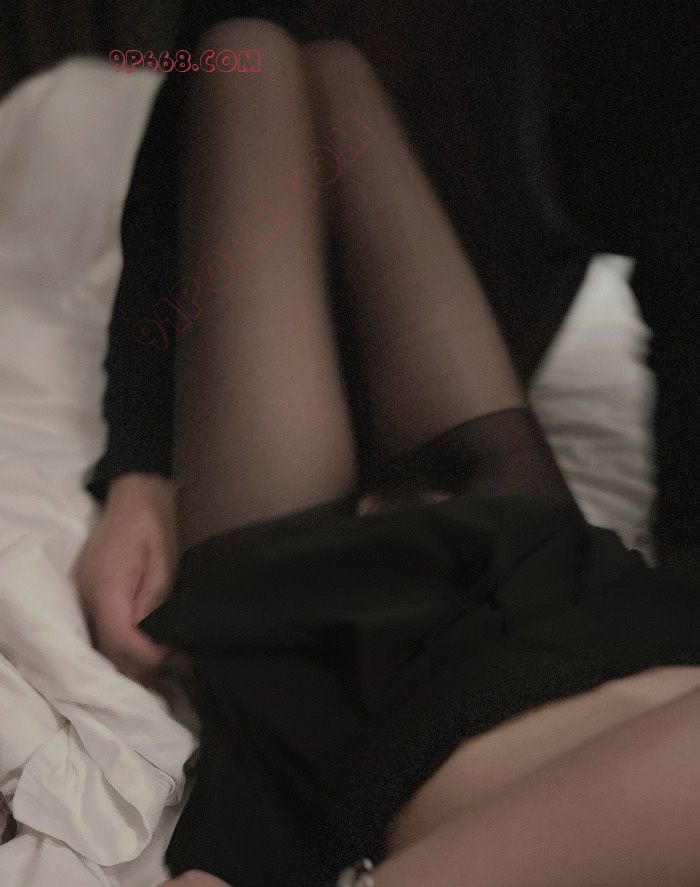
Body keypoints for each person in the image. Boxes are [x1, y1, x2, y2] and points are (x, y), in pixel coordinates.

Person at [75, 16, 699, 886]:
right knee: (318, 59)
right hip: (565, 579)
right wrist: (138, 464)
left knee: (246, 55)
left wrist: (139, 465)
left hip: (347, 666)